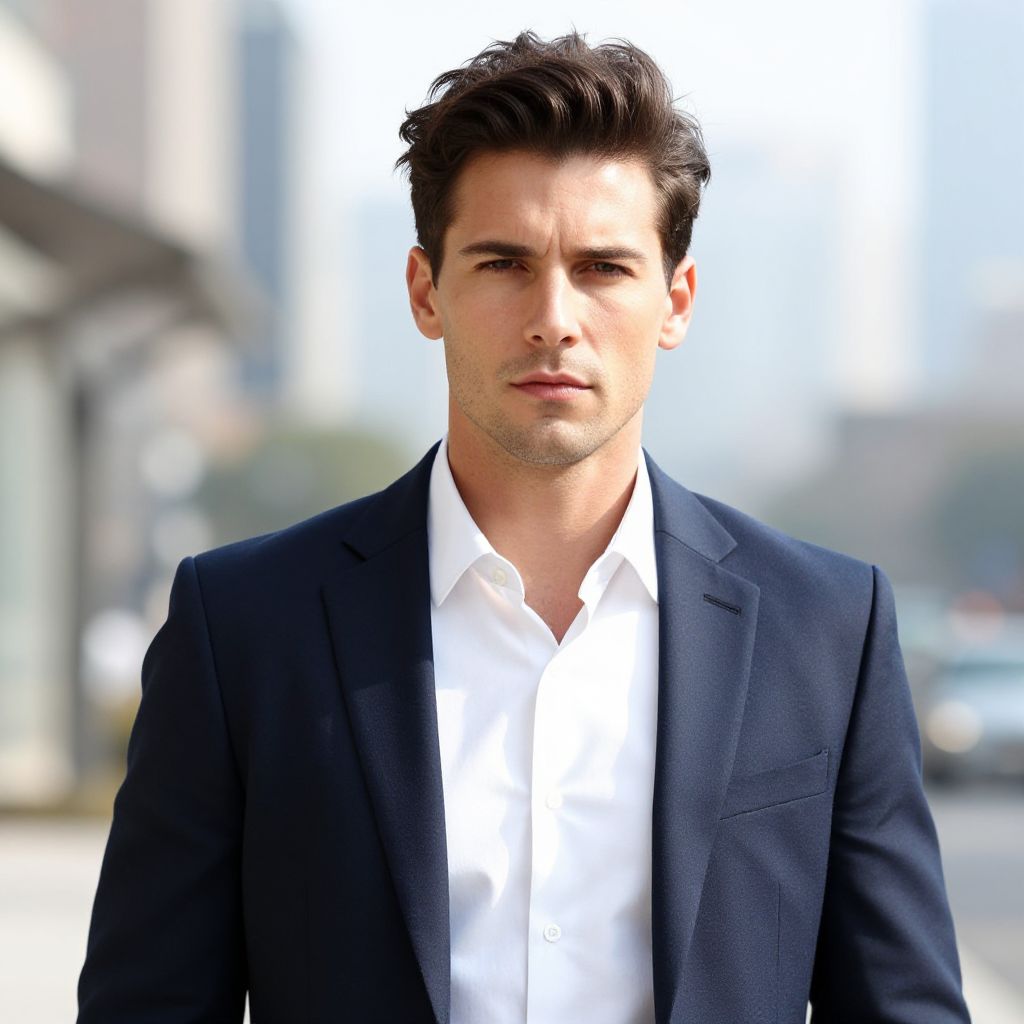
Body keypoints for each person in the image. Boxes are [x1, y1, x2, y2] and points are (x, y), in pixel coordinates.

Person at [78, 30, 971, 1024]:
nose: (553, 316)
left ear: (675, 299)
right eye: (504, 263)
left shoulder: (826, 629)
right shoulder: (243, 625)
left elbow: (904, 1007)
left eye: (601, 267)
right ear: (426, 290)